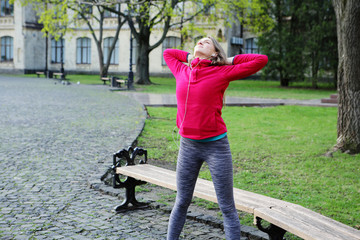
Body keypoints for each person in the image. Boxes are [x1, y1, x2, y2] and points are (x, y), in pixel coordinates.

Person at [163, 36, 268, 240]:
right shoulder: (182, 70)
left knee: (227, 207)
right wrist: (190, 56)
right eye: (199, 41)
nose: (201, 42)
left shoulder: (222, 72)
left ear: (215, 52)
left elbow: (260, 60)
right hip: (187, 146)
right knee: (182, 201)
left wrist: (225, 60)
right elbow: (168, 53)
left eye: (207, 42)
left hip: (216, 147)